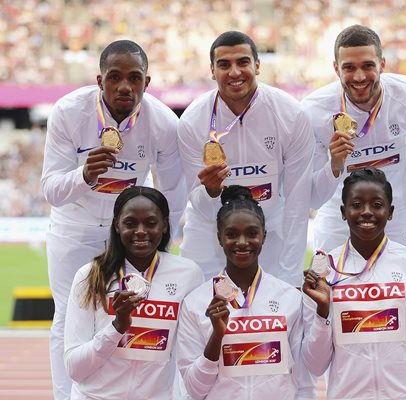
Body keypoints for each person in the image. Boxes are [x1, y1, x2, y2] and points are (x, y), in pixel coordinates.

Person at [41, 39, 187, 399]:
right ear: (99, 80)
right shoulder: (68, 112)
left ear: (147, 83)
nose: (125, 86)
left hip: (126, 233)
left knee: (139, 312)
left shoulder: (163, 122)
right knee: (67, 316)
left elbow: (173, 196)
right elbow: (51, 190)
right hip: (73, 229)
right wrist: (84, 176)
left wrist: (162, 243)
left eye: (134, 78)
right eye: (115, 77)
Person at [178, 31, 314, 287]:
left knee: (268, 317)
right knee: (199, 312)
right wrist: (211, 191)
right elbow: (199, 204)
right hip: (208, 232)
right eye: (224, 64)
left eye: (242, 62)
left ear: (257, 65)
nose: (234, 72)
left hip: (268, 232)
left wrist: (291, 276)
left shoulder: (291, 115)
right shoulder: (192, 121)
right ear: (212, 70)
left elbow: (297, 203)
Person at [302, 167, 406, 399]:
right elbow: (315, 365)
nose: (367, 212)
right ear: (343, 212)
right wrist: (322, 313)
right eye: (357, 204)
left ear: (390, 212)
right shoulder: (323, 272)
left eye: (377, 205)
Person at [302, 24, 406, 252]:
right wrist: (334, 165)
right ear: (336, 69)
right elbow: (314, 199)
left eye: (368, 65)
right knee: (332, 286)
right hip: (338, 218)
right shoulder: (313, 111)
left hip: (395, 215)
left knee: (398, 286)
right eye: (349, 67)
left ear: (382, 64)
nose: (359, 76)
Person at [175, 185, 314, 399]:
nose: (242, 243)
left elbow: (303, 382)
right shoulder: (196, 303)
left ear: (264, 237)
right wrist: (217, 336)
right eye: (231, 234)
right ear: (219, 238)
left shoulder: (290, 298)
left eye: (251, 234)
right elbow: (194, 389)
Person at [64, 186, 202, 399]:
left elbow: (190, 354)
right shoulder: (91, 276)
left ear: (164, 225)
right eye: (130, 223)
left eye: (150, 222)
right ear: (117, 225)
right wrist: (117, 327)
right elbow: (74, 368)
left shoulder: (188, 274)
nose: (140, 230)